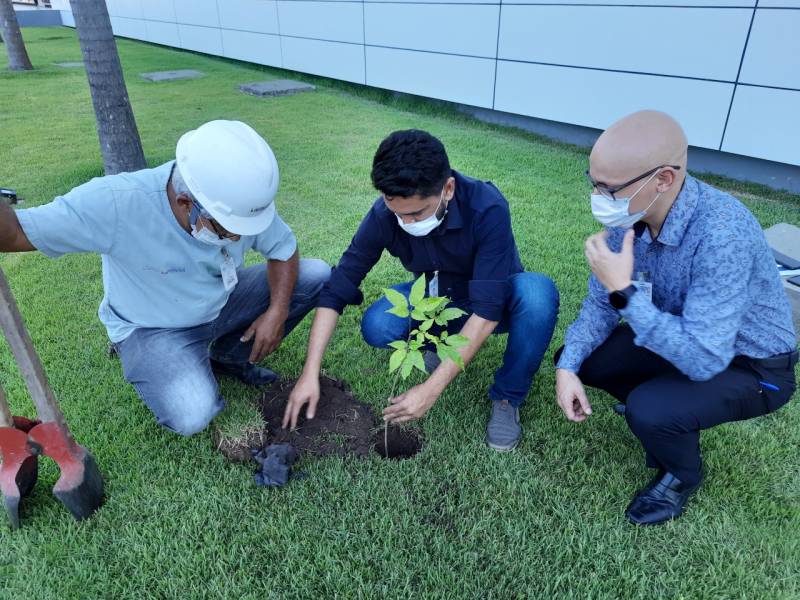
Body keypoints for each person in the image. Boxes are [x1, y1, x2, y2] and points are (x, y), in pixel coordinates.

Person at [0, 120, 330, 436]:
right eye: (229, 231)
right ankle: (167, 360)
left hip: (221, 300)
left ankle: (227, 357)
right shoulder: (117, 204)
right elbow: (14, 233)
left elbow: (283, 249)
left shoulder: (234, 201)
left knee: (315, 274)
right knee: (193, 411)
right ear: (186, 203)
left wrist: (277, 311)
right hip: (154, 327)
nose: (236, 238)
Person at [554, 110, 798, 525]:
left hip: (753, 367)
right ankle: (666, 408)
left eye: (608, 188)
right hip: (679, 334)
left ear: (664, 178)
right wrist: (567, 365)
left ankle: (681, 475)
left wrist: (626, 294)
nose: (598, 198)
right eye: (593, 183)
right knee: (588, 358)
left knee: (650, 409)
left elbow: (705, 359)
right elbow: (599, 305)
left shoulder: (723, 235)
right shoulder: (630, 218)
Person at [283, 129, 559, 451]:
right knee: (379, 325)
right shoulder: (385, 214)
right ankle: (438, 346)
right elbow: (339, 286)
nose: (406, 222)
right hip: (439, 297)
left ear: (448, 189)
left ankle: (507, 398)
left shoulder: (487, 208)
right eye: (396, 210)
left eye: (416, 213)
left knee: (538, 296)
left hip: (498, 300)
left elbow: (487, 308)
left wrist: (431, 389)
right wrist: (309, 372)